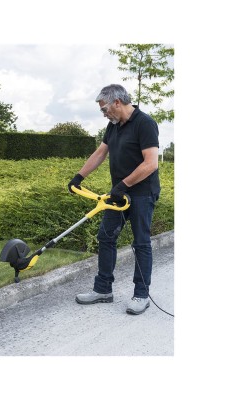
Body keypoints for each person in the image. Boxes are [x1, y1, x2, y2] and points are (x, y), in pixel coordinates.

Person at [67, 84, 160, 315]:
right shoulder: (113, 125)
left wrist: (124, 185)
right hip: (119, 192)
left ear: (117, 102)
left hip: (142, 192)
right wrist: (79, 177)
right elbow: (100, 152)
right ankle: (103, 290)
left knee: (141, 243)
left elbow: (151, 163)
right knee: (106, 236)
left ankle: (141, 295)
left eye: (104, 109)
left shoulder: (145, 123)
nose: (104, 114)